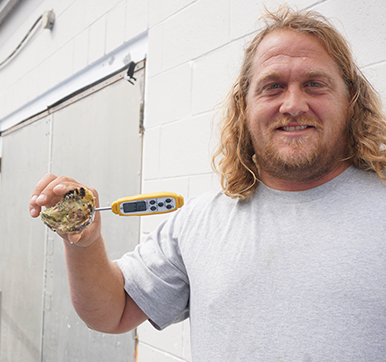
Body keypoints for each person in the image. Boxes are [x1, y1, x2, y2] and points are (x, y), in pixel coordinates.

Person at [29, 5, 386, 360]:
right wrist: (84, 242)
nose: (293, 104)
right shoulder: (198, 223)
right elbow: (112, 311)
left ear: (351, 100)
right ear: (244, 107)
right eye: (272, 87)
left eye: (314, 84)